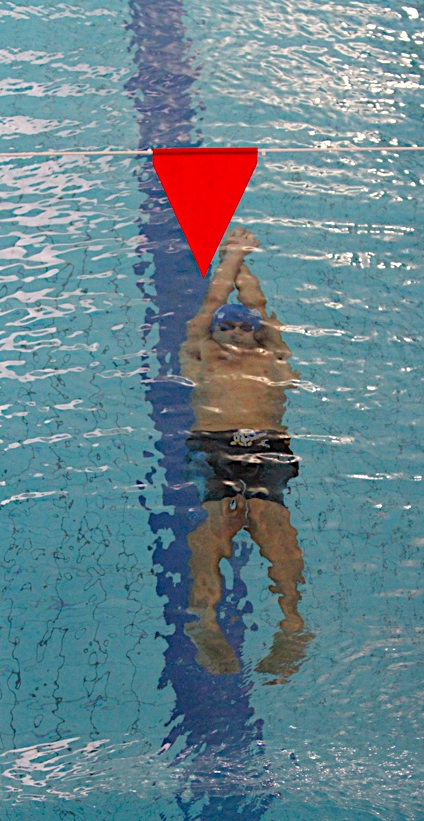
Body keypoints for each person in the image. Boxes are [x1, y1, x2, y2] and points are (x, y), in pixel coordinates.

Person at [180, 226, 311, 680]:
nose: (236, 331)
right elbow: (211, 304)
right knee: (216, 524)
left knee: (270, 522)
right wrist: (232, 255)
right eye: (227, 325)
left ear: (257, 332)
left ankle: (292, 623)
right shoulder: (200, 353)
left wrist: (242, 263)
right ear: (214, 330)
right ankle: (204, 620)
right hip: (214, 442)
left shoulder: (272, 355)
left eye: (245, 326)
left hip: (268, 443)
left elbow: (259, 308)